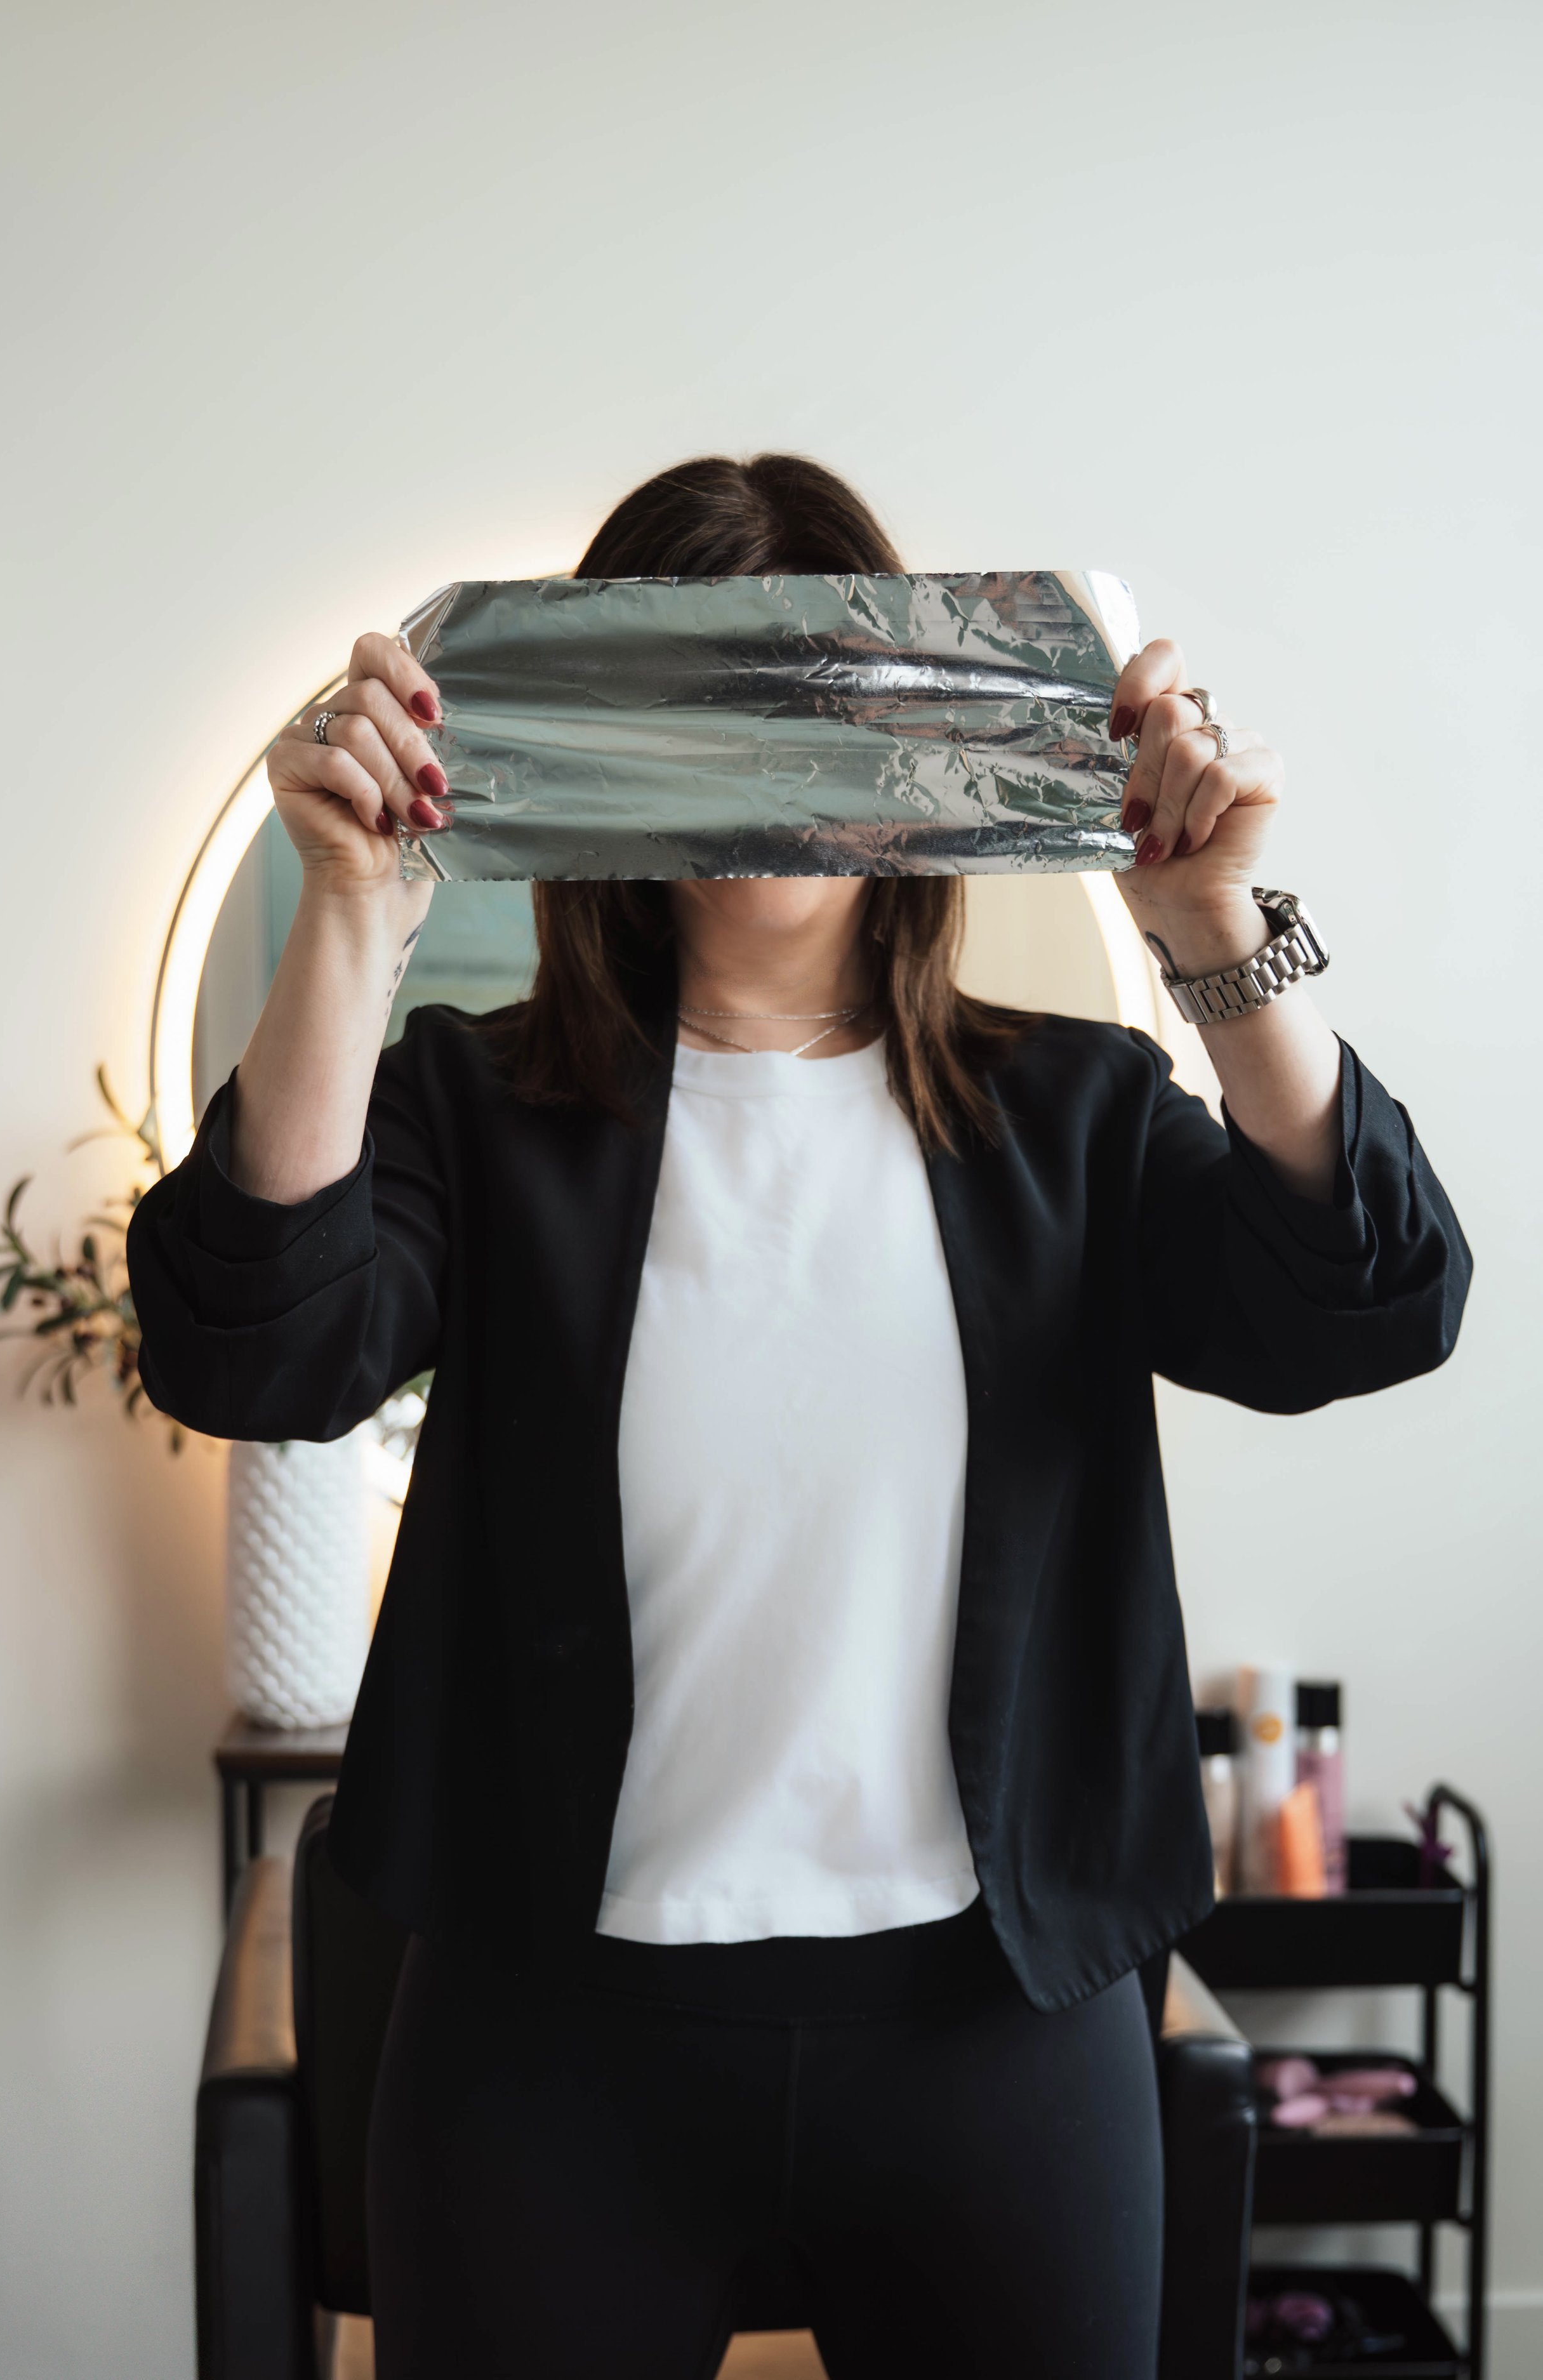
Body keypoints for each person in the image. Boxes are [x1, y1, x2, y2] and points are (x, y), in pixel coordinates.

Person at [128, 454, 1471, 2379]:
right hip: (549, 2048)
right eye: (704, 710)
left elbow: (1378, 1297)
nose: (765, 770)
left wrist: (1212, 925)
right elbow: (252, 1356)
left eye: (816, 706)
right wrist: (349, 907)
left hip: (998, 2034)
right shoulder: (466, 1115)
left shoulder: (1073, 1117)